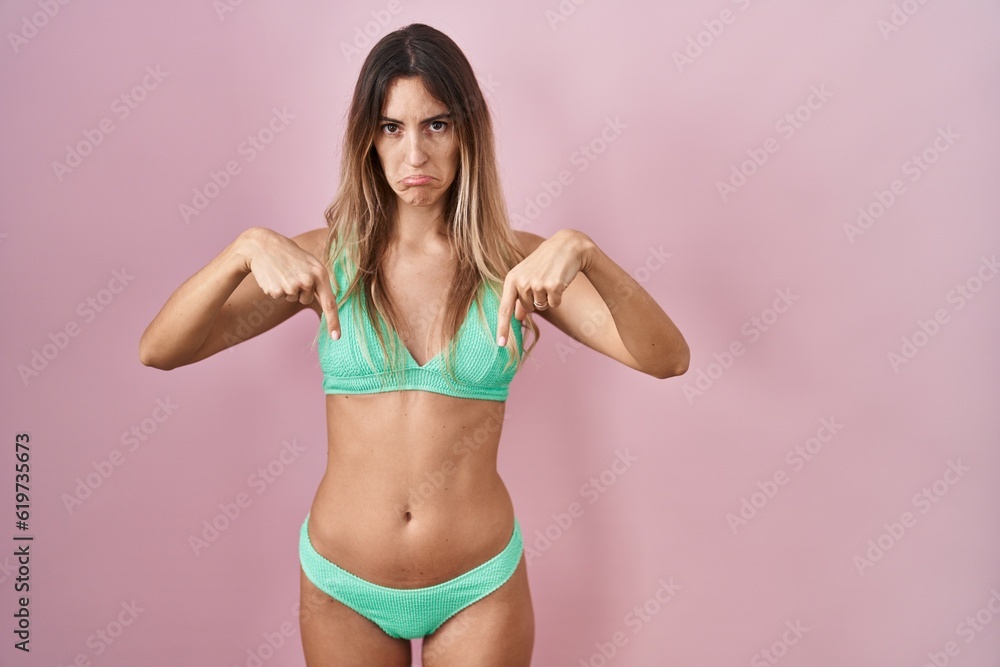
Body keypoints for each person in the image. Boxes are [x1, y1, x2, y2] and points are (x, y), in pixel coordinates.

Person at [139, 22, 689, 667]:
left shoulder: (516, 264)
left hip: (477, 586)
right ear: (367, 138)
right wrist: (242, 251)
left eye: (436, 124)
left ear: (467, 132)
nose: (415, 157)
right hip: (342, 585)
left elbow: (667, 359)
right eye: (391, 127)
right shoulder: (325, 262)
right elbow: (161, 348)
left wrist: (588, 253)